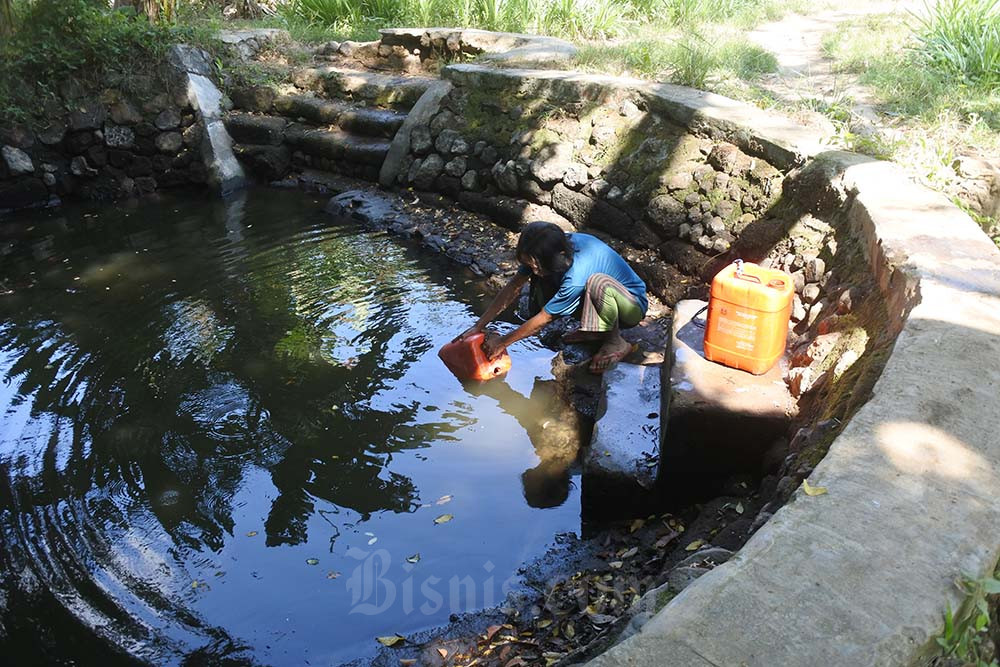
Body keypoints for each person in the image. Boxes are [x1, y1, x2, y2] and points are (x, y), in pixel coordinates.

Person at [457, 221, 648, 373]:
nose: (535, 271)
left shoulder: (576, 274)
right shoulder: (543, 251)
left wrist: (502, 342)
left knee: (597, 283)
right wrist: (478, 325)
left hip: (629, 306)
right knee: (547, 281)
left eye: (536, 266)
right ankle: (593, 331)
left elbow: (545, 317)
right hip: (598, 299)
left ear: (559, 256)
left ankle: (615, 341)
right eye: (531, 266)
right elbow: (513, 286)